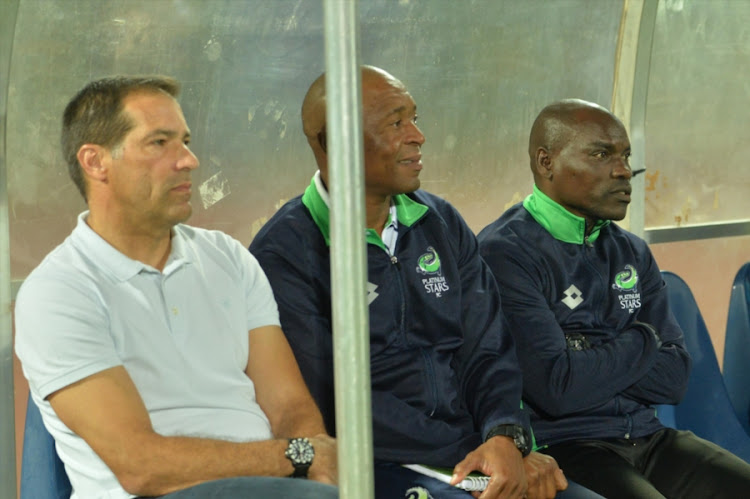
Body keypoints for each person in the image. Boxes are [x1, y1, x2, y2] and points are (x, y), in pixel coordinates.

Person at [249, 66, 595, 499]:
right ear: (336, 143)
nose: (418, 135)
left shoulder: (440, 221)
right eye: (396, 123)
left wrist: (506, 438)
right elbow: (336, 399)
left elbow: (488, 348)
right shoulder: (287, 252)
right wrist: (478, 453)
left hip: (475, 454)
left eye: (415, 117)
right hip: (385, 467)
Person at [14, 76, 338, 499]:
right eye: (159, 143)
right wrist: (298, 457)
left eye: (184, 141)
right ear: (95, 162)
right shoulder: (58, 292)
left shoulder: (230, 259)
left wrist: (318, 472)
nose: (188, 160)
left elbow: (290, 406)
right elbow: (142, 467)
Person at [477, 98, 750, 498]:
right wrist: (642, 338)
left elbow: (674, 379)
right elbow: (558, 388)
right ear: (545, 162)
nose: (623, 170)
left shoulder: (632, 251)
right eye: (602, 154)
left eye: (625, 155)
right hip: (565, 447)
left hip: (648, 437)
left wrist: (584, 350)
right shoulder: (506, 252)